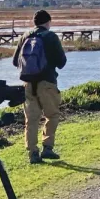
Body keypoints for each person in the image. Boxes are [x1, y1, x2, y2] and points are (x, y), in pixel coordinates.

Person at [13, 9, 67, 163]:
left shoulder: (25, 36)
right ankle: (47, 148)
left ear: (34, 22)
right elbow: (61, 63)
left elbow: (15, 61)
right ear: (48, 22)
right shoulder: (51, 36)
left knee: (31, 119)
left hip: (28, 84)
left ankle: (32, 154)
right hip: (47, 82)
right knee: (52, 115)